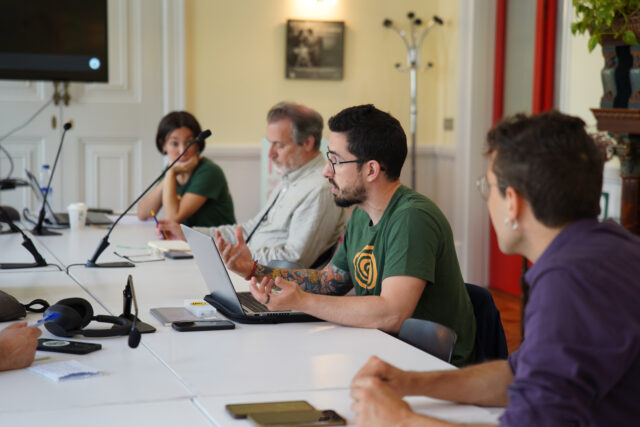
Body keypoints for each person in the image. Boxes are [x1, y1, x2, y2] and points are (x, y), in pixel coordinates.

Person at [349, 111, 640, 426]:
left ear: (512, 202)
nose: (487, 201)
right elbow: (516, 374)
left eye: (488, 188)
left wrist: (399, 420)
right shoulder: (608, 249)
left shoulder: (570, 282)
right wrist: (410, 381)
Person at [215, 104, 476, 366]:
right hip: (383, 349)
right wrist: (254, 270)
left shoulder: (412, 218)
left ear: (371, 170)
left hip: (429, 362)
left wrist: (303, 301)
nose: (326, 171)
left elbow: (392, 314)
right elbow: (328, 282)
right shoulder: (361, 215)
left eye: (336, 161)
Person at [157, 102, 347, 268]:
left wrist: (239, 256)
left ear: (307, 143)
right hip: (250, 270)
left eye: (279, 145)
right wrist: (190, 235)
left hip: (271, 283)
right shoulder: (291, 177)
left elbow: (294, 260)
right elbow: (249, 230)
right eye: (270, 144)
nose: (270, 154)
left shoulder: (319, 189)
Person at [138, 111, 236, 228]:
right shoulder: (173, 170)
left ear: (198, 144)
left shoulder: (209, 171)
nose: (182, 151)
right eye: (174, 143)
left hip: (217, 239)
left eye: (189, 142)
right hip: (187, 238)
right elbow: (143, 213)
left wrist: (171, 173)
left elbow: (173, 218)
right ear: (163, 145)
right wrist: (170, 174)